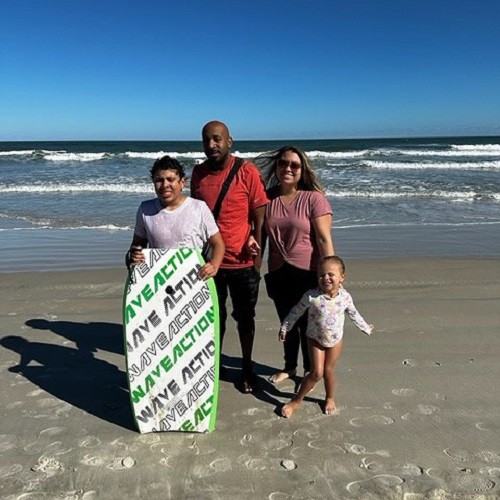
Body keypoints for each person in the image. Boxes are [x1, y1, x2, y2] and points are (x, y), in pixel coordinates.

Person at [191, 120, 269, 393]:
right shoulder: (198, 173)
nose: (211, 145)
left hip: (242, 262)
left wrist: (258, 257)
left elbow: (260, 218)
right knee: (213, 317)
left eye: (217, 139)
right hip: (209, 263)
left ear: (229, 141)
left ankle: (247, 367)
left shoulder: (246, 171)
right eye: (206, 140)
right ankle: (215, 363)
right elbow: (192, 215)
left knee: (245, 318)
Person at [256, 146, 334, 384]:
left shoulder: (314, 199)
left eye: (294, 165)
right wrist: (254, 269)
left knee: (309, 325)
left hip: (308, 273)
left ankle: (312, 371)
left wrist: (331, 274)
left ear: (302, 170)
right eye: (282, 163)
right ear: (276, 166)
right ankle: (290, 367)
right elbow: (260, 238)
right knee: (287, 323)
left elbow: (323, 239)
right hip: (279, 273)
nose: (287, 168)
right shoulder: (266, 199)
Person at [279, 255, 374, 418]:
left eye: (331, 274)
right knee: (316, 373)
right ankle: (296, 401)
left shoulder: (345, 297)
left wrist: (365, 327)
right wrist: (285, 326)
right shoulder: (312, 296)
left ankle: (329, 398)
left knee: (329, 371)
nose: (326, 278)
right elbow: (296, 311)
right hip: (315, 339)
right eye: (321, 275)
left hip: (335, 340)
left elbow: (353, 313)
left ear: (342, 277)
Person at [126, 155, 224, 281]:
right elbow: (138, 244)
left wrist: (214, 265)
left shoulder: (198, 208)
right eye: (159, 180)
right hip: (159, 281)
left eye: (170, 179)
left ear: (182, 182)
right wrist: (134, 254)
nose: (165, 185)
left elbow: (218, 244)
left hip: (194, 280)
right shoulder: (145, 209)